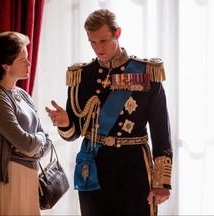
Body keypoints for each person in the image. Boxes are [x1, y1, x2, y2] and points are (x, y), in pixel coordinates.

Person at [46, 9, 173, 216]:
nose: (98, 48)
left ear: (117, 33)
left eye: (103, 40)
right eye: (92, 42)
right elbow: (74, 133)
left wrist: (162, 182)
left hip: (133, 166)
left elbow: (161, 131)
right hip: (94, 165)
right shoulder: (82, 76)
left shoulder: (146, 73)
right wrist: (64, 123)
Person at [0, 31, 52, 215]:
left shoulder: (22, 94)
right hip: (9, 177)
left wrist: (33, 146)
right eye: (23, 60)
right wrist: (34, 143)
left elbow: (45, 140)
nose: (29, 63)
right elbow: (26, 143)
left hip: (29, 174)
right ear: (6, 65)